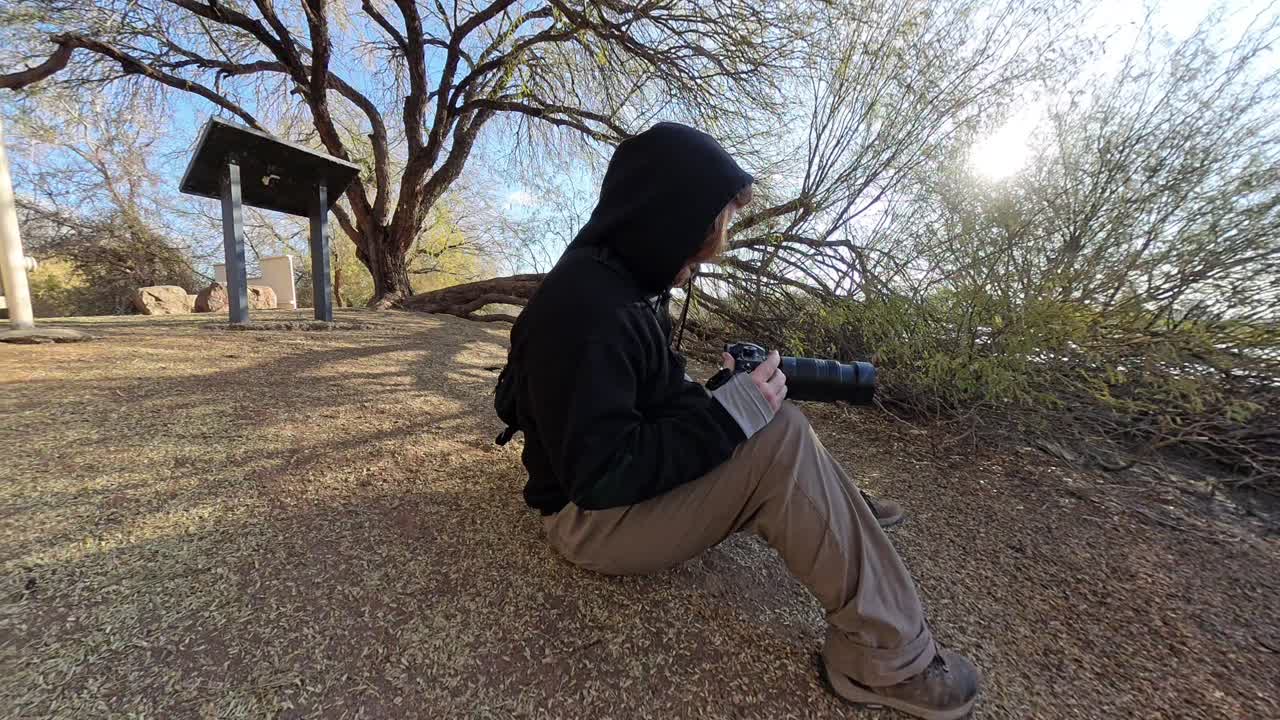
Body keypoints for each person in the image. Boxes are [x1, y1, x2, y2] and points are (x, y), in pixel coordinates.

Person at [496, 122, 980, 720]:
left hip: (603, 497)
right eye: (694, 246)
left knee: (767, 413)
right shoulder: (587, 312)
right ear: (661, 221)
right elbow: (601, 474)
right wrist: (728, 419)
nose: (701, 261)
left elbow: (649, 403)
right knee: (776, 437)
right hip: (586, 521)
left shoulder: (617, 284)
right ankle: (886, 660)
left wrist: (723, 398)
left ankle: (838, 512)